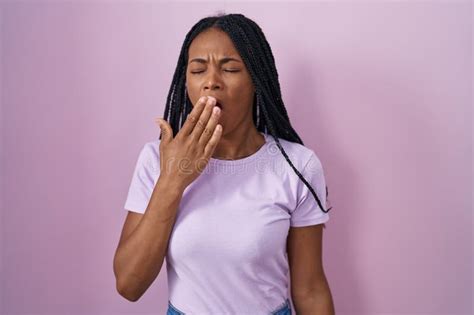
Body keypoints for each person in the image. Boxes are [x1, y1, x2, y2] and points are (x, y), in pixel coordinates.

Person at [113, 12, 335, 315]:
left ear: (257, 80)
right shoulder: (156, 159)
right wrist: (172, 180)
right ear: (186, 82)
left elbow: (310, 288)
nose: (211, 83)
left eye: (230, 68)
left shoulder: (297, 165)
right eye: (198, 70)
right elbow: (129, 285)